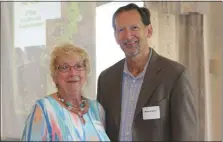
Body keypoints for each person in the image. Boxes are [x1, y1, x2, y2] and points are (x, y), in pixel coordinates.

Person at [97, 3, 198, 141]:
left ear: (149, 31)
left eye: (134, 28)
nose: (128, 35)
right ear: (115, 36)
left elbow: (186, 136)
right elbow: (100, 131)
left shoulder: (175, 75)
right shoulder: (106, 79)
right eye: (121, 30)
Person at [21, 43, 110, 141]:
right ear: (54, 76)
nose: (72, 72)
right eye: (64, 67)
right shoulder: (43, 109)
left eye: (78, 66)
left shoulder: (97, 109)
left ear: (86, 73)